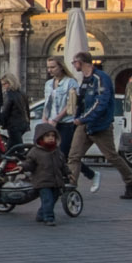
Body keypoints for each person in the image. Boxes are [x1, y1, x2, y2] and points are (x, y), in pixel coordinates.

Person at [66, 51, 132, 198]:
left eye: (74, 62)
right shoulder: (85, 79)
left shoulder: (101, 78)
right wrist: (77, 117)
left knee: (111, 156)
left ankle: (130, 181)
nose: (73, 65)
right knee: (74, 156)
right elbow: (82, 102)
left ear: (81, 62)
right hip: (84, 125)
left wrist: (83, 119)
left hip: (100, 126)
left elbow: (101, 103)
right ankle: (70, 187)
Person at [43, 56, 96, 189]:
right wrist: (45, 118)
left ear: (61, 67)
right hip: (51, 122)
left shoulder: (70, 82)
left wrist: (57, 118)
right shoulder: (48, 84)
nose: (50, 70)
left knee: (64, 153)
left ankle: (86, 175)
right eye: (48, 67)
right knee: (53, 153)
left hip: (66, 122)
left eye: (53, 67)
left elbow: (71, 104)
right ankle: (67, 178)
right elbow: (47, 103)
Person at [20, 123, 70, 226]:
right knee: (47, 200)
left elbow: (62, 164)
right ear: (40, 137)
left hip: (56, 181)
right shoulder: (35, 151)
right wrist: (23, 166)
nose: (51, 138)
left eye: (53, 136)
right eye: (47, 136)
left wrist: (67, 173)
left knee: (53, 199)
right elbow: (29, 163)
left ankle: (41, 214)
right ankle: (49, 218)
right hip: (42, 181)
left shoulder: (57, 151)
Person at [0, 74, 31, 149]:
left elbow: (5, 111)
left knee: (18, 147)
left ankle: (23, 159)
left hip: (13, 125)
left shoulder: (9, 95)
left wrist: (0, 121)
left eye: (4, 84)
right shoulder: (22, 94)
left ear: (10, 83)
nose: (3, 86)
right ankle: (6, 158)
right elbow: (27, 110)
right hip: (23, 124)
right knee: (11, 146)